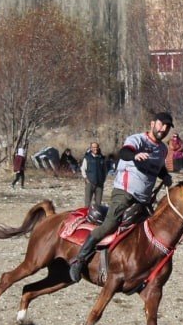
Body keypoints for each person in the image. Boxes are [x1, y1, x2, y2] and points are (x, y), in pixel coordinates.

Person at [69, 112, 175, 282]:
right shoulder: (137, 140)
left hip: (144, 199)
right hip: (124, 193)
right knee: (110, 225)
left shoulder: (163, 149)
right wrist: (135, 156)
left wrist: (165, 176)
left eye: (167, 127)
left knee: (151, 230)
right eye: (161, 124)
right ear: (152, 124)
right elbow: (125, 152)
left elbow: (159, 167)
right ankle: (79, 260)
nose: (163, 129)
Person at [81, 141, 110, 209]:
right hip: (90, 183)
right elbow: (83, 169)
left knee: (98, 205)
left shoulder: (102, 158)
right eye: (93, 147)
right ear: (91, 148)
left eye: (96, 147)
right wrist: (86, 178)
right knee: (87, 204)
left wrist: (103, 180)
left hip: (99, 184)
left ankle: (96, 215)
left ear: (98, 148)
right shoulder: (87, 158)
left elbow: (105, 170)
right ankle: (86, 214)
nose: (95, 149)